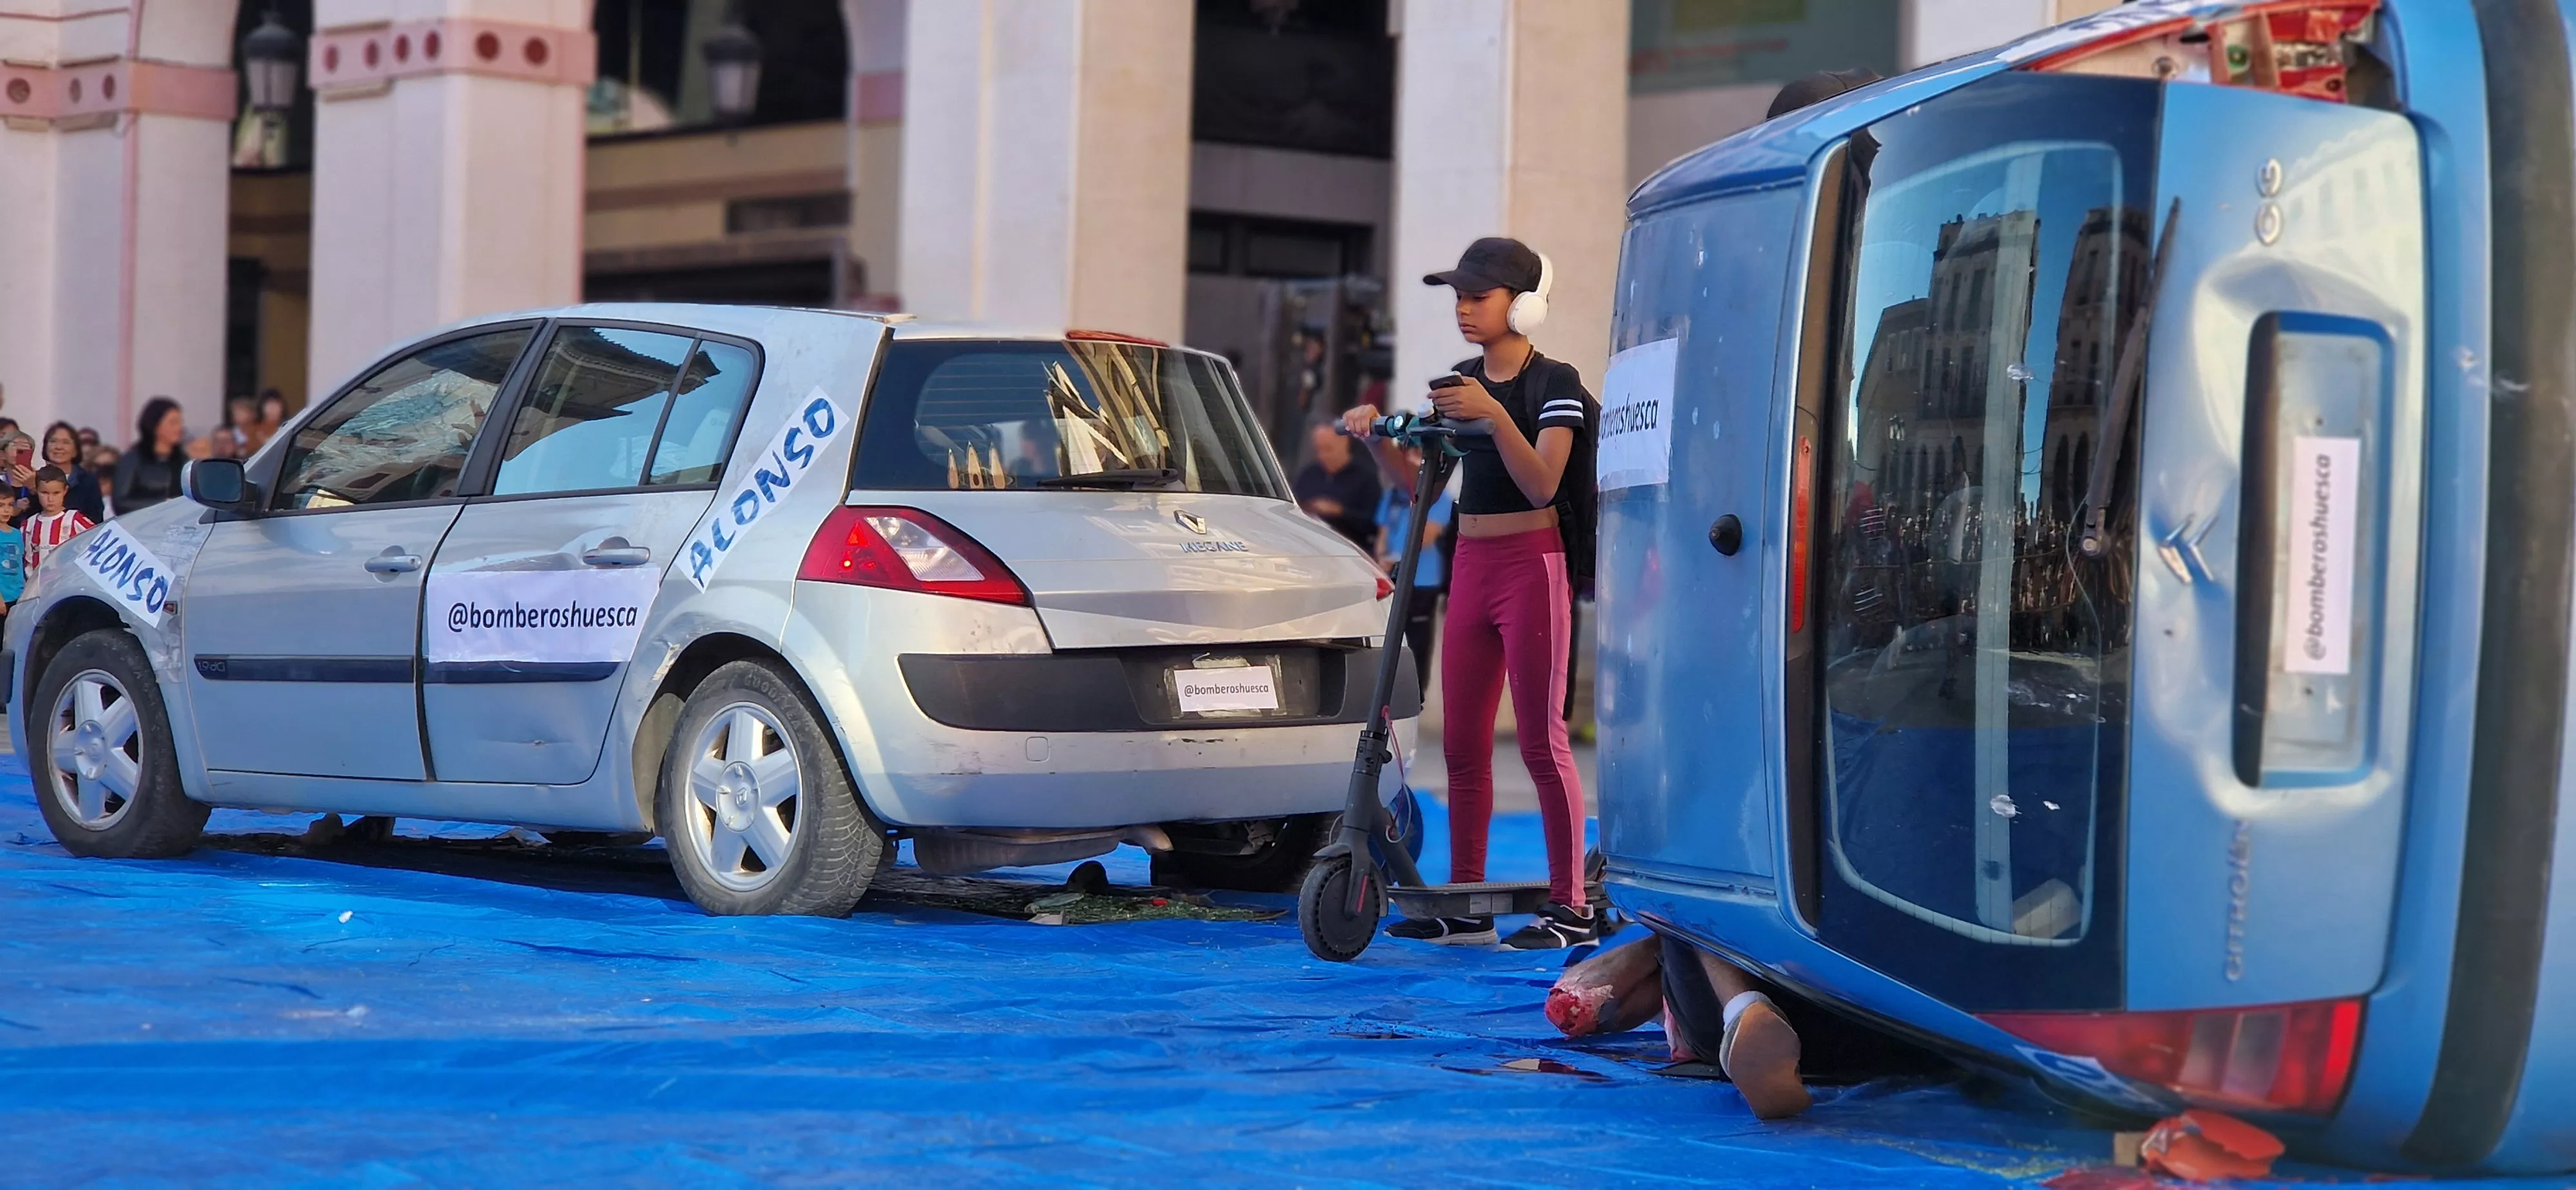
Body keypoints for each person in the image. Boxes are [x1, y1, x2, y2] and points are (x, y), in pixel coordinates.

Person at [1341, 236, 1597, 950]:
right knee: (1461, 743)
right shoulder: (1461, 380)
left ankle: (1571, 907)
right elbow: (1423, 490)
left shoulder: (1555, 382)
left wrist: (1493, 414)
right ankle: (1467, 900)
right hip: (1472, 564)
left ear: (1521, 306)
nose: (1463, 308)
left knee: (1542, 741)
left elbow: (1542, 483)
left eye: (1478, 296)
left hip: (1533, 562)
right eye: (1457, 296)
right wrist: (1378, 443)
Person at [1372, 443, 1452, 694]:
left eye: (1418, 454)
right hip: (1394, 578)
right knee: (1390, 636)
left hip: (1422, 580)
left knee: (1417, 640)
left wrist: (1395, 558)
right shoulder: (1393, 495)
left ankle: (1416, 692)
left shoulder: (1439, 496)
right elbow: (1383, 534)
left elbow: (1426, 536)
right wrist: (1381, 560)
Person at [1293, 421, 1381, 551]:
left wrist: (1341, 512)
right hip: (1306, 544)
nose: (1322, 456)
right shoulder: (1308, 474)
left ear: (1345, 443)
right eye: (1318, 450)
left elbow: (1373, 526)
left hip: (1348, 550)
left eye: (1328, 449)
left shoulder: (1366, 479)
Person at [113, 397, 189, 515]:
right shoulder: (133, 459)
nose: (179, 428)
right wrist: (162, 505)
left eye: (180, 422)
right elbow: (121, 502)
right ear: (155, 425)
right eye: (173, 423)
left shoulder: (182, 459)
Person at [22, 466, 94, 583]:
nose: (50, 499)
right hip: (36, 587)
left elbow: (99, 539)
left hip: (65, 586)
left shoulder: (74, 519)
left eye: (56, 493)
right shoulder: (29, 525)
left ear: (65, 491)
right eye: (45, 493)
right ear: (37, 491)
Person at [39, 422, 106, 524]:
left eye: (66, 442)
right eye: (53, 441)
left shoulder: (88, 481)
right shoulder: (35, 479)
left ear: (76, 450)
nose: (59, 447)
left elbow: (96, 521)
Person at [210, 393, 258, 458]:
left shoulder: (258, 434)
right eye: (235, 412)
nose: (221, 446)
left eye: (242, 411)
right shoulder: (230, 432)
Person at [251, 388, 289, 453]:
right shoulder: (253, 430)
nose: (272, 409)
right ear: (261, 407)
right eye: (268, 405)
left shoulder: (288, 428)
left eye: (275, 404)